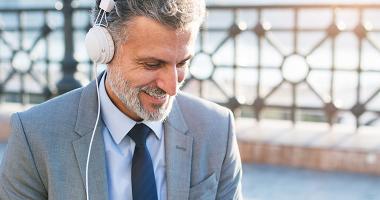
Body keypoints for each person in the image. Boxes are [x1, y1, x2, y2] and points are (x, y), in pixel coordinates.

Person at [0, 0, 242, 199]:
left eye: (182, 63)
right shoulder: (35, 136)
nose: (172, 87)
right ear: (104, 50)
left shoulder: (217, 129)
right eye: (152, 64)